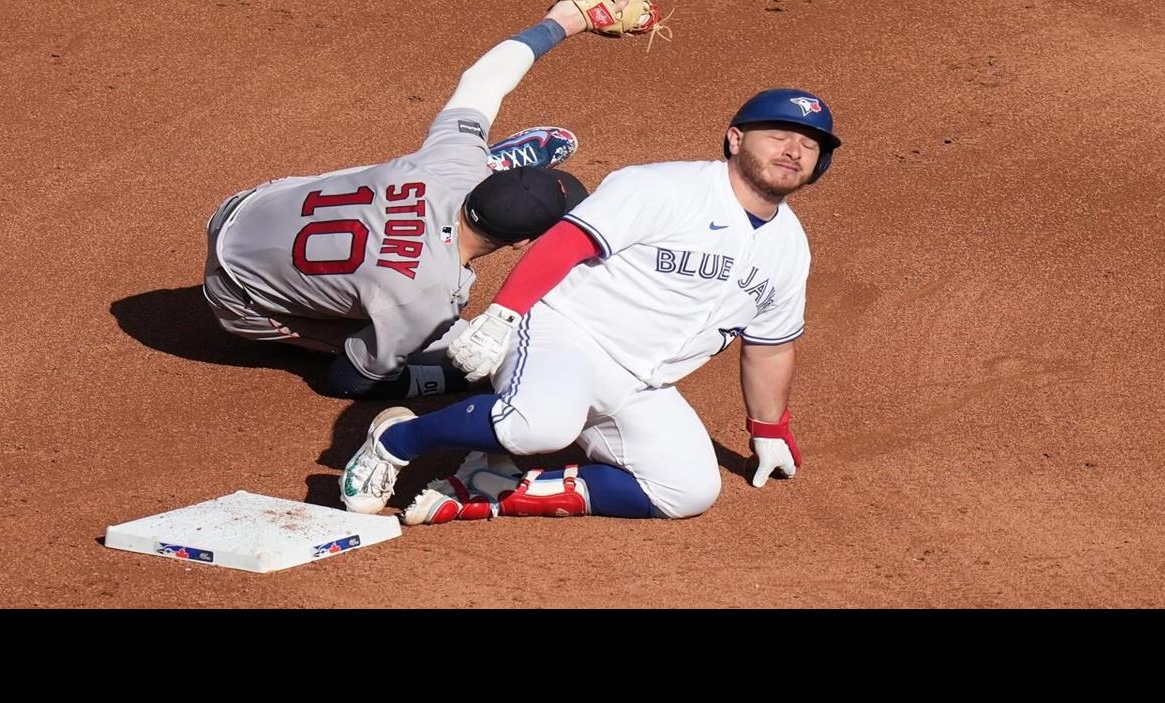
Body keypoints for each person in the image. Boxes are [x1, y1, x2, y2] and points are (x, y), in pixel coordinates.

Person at [337, 88, 842, 520]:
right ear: (735, 139)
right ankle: (397, 441)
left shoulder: (790, 248)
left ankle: (497, 489)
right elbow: (567, 243)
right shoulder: (667, 187)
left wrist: (769, 429)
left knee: (688, 490)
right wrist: (501, 316)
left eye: (809, 144)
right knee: (540, 424)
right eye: (779, 134)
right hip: (565, 334)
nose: (794, 150)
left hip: (644, 380)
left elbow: (770, 346)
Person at [200, 2, 651, 399]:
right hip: (238, 299)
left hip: (242, 207)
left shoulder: (450, 166)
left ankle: (488, 163)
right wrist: (462, 379)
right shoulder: (425, 301)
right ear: (520, 243)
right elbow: (349, 380)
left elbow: (482, 81)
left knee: (416, 171)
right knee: (467, 349)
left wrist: (564, 20)